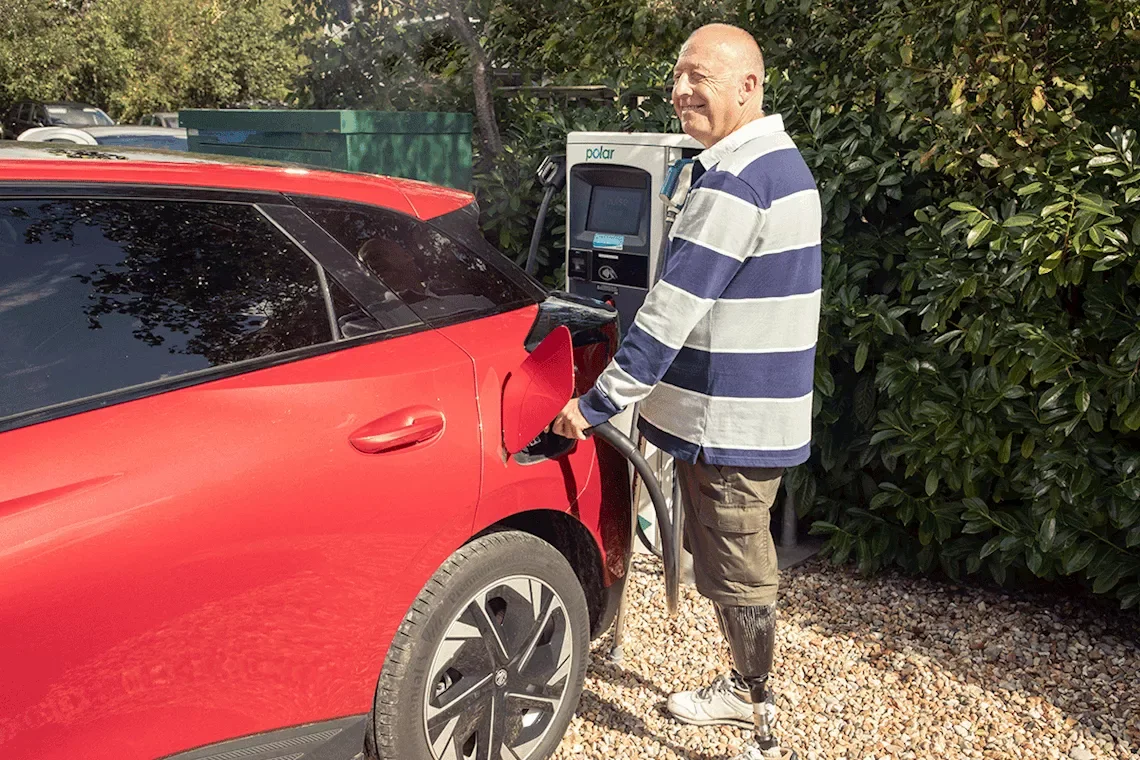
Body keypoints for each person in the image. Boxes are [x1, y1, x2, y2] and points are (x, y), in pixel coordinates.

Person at [552, 22, 821, 760]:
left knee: (736, 565)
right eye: (678, 75)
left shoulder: (737, 180)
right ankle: (743, 685)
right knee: (723, 555)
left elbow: (670, 310)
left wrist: (595, 403)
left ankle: (755, 708)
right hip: (734, 408)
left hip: (727, 417)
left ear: (748, 85)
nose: (680, 91)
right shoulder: (772, 164)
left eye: (699, 76)